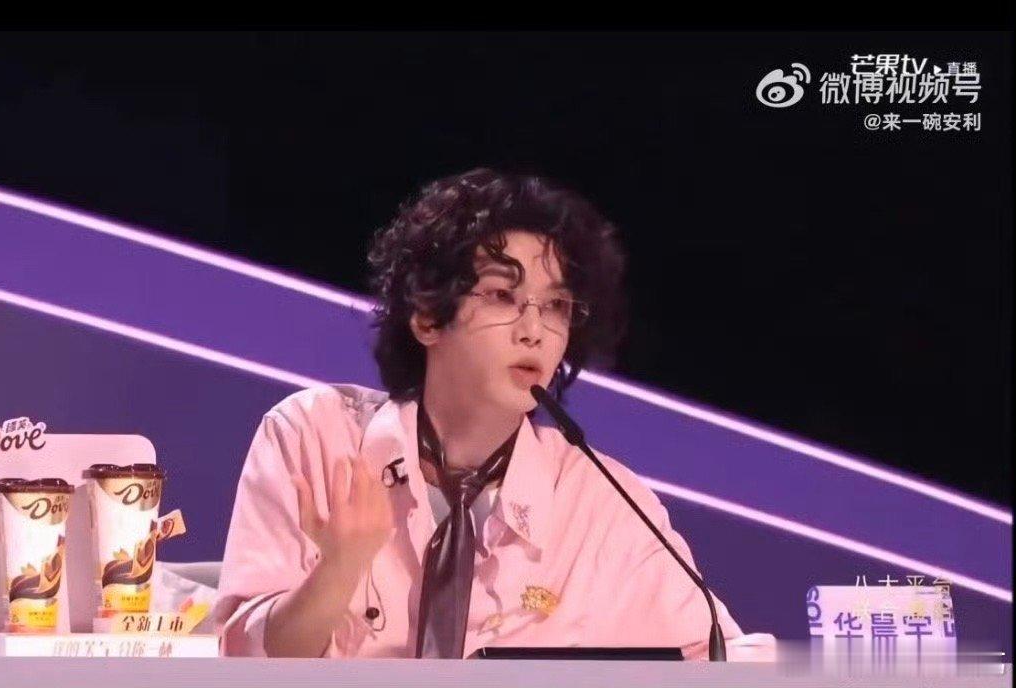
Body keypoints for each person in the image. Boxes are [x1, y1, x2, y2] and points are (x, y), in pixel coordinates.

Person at [214, 168, 747, 659]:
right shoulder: (317, 436)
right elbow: (242, 659)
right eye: (501, 295)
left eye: (556, 306)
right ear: (428, 317)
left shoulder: (603, 502)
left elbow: (723, 655)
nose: (534, 331)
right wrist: (337, 571)